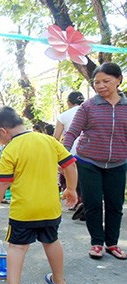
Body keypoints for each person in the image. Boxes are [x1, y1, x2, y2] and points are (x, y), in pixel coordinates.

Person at [0, 106, 78, 284]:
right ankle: (59, 281)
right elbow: (70, 164)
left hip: (24, 211)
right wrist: (71, 189)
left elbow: (1, 183)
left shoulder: (10, 149)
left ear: (2, 131)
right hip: (50, 208)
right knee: (51, 241)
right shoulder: (48, 140)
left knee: (17, 248)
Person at [63, 62, 127, 260]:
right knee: (92, 204)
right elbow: (72, 132)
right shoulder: (88, 106)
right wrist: (63, 154)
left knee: (115, 204)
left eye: (106, 81)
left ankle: (112, 244)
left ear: (118, 80)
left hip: (118, 163)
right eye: (96, 82)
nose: (100, 86)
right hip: (89, 162)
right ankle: (97, 243)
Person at [54, 91, 85, 213]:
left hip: (70, 151)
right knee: (86, 179)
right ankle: (85, 201)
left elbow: (55, 137)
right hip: (89, 151)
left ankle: (74, 201)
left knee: (72, 177)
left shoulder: (63, 116)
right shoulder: (89, 110)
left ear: (68, 103)